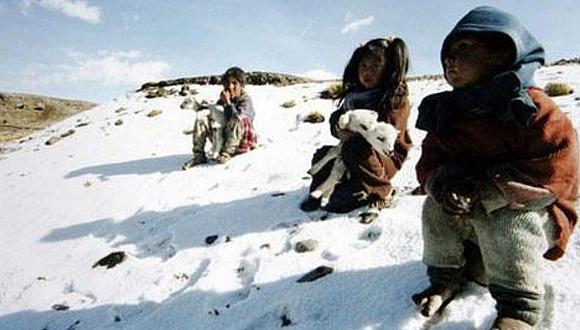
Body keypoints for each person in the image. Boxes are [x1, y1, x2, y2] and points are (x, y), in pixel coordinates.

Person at [412, 6, 578, 330]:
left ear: (501, 53)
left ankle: (519, 309)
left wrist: (490, 191)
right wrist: (446, 186)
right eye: (448, 52)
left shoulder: (530, 106)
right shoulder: (448, 112)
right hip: (475, 210)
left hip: (534, 211)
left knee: (504, 221)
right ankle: (445, 279)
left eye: (464, 49)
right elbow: (431, 162)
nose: (450, 59)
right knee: (435, 209)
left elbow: (557, 167)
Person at [300, 37, 412, 222]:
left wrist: (353, 135)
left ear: (387, 69)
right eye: (364, 66)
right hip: (353, 156)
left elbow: (386, 131)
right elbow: (337, 118)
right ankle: (327, 191)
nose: (367, 72)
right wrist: (339, 128)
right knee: (322, 155)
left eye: (376, 66)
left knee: (354, 150)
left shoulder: (395, 98)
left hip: (385, 157)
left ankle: (383, 191)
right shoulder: (354, 96)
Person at [182, 67, 257, 169]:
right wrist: (198, 106)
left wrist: (228, 103)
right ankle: (199, 156)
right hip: (225, 138)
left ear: (242, 85)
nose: (230, 87)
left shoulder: (246, 101)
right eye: (227, 83)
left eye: (234, 83)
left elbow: (235, 119)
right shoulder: (224, 99)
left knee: (238, 119)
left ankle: (226, 154)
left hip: (241, 142)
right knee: (202, 117)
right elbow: (215, 114)